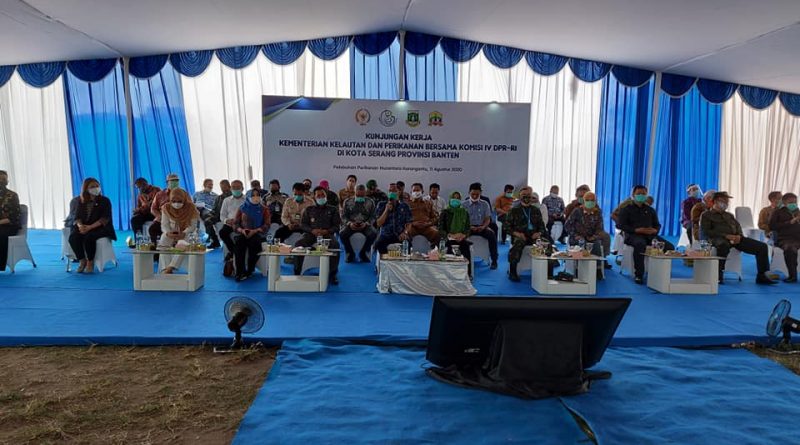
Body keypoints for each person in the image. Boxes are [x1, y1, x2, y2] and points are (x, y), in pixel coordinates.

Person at [701, 192, 775, 284]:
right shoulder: (706, 215)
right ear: (715, 201)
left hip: (735, 239)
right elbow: (707, 231)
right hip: (718, 239)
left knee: (762, 247)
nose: (726, 203)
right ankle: (718, 275)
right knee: (723, 245)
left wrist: (739, 236)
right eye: (723, 201)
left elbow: (738, 226)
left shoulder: (729, 215)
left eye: (727, 201)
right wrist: (726, 236)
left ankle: (762, 276)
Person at [617, 185, 674, 284]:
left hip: (650, 236)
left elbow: (657, 225)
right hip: (633, 235)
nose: (641, 196)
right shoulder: (626, 209)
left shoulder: (650, 210)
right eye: (638, 193)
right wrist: (636, 230)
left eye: (643, 194)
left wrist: (655, 230)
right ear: (633, 195)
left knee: (669, 247)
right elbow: (620, 225)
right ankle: (639, 275)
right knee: (640, 245)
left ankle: (660, 272)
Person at [68, 178, 116, 273]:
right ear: (86, 189)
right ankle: (82, 260)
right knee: (73, 237)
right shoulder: (81, 201)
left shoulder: (105, 201)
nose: (95, 188)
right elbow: (77, 217)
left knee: (89, 237)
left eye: (97, 186)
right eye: (92, 187)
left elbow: (104, 219)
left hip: (101, 227)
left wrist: (90, 227)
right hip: (85, 226)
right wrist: (81, 226)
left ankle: (90, 262)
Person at [295, 187, 341, 284]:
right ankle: (297, 271)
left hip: (327, 234)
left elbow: (337, 226)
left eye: (323, 195)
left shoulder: (333, 209)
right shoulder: (309, 209)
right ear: (314, 197)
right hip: (311, 234)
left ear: (326, 196)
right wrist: (312, 230)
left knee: (335, 245)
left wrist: (327, 231)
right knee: (298, 244)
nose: (321, 197)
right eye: (318, 196)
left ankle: (333, 274)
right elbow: (303, 225)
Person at [506, 187, 550, 282]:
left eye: (528, 195)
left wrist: (539, 233)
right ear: (519, 197)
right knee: (517, 245)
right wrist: (517, 234)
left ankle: (548, 272)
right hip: (520, 236)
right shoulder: (513, 210)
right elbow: (507, 227)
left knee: (548, 244)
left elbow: (542, 227)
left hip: (534, 236)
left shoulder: (536, 210)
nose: (526, 197)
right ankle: (512, 271)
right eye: (524, 195)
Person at [158, 188, 201, 274]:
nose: (176, 204)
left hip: (187, 232)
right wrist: (168, 233)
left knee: (184, 242)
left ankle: (171, 267)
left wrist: (184, 233)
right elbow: (164, 224)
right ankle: (165, 267)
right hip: (172, 232)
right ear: (170, 200)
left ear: (184, 199)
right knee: (163, 239)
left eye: (179, 201)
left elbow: (193, 226)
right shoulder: (166, 207)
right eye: (173, 201)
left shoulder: (191, 208)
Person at [232, 189, 270, 282]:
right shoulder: (242, 208)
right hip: (244, 232)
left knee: (255, 245)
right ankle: (240, 272)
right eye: (253, 195)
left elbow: (267, 224)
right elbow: (235, 223)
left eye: (258, 195)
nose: (256, 197)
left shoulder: (264, 209)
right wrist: (241, 230)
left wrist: (255, 230)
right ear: (248, 197)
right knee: (239, 245)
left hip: (258, 233)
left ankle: (250, 270)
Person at [564, 191, 605, 278]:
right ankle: (578, 269)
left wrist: (594, 236)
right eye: (587, 200)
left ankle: (597, 269)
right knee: (581, 244)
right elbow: (567, 225)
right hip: (577, 237)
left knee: (596, 244)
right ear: (584, 201)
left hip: (591, 237)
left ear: (595, 201)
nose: (590, 202)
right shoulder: (577, 211)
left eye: (592, 200)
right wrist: (575, 235)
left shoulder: (598, 212)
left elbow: (600, 228)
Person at [463, 182, 498, 269]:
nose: (475, 196)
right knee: (460, 237)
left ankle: (494, 260)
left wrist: (484, 226)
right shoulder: (464, 204)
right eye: (473, 194)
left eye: (477, 194)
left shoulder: (485, 204)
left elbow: (487, 218)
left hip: (481, 227)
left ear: (480, 193)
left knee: (492, 235)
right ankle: (462, 260)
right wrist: (469, 227)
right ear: (469, 192)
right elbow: (462, 220)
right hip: (468, 228)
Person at [439, 191, 473, 278]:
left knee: (465, 248)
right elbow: (440, 229)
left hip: (461, 238)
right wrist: (450, 235)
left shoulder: (464, 212)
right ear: (450, 199)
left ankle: (467, 274)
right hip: (448, 238)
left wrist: (463, 235)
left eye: (458, 198)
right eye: (454, 198)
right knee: (449, 248)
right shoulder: (445, 212)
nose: (456, 200)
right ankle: (450, 274)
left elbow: (468, 228)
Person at [340, 184, 377, 263]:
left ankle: (363, 253)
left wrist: (366, 223)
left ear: (365, 193)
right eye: (358, 195)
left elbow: (373, 216)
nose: (360, 196)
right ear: (355, 192)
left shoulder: (370, 202)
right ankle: (350, 253)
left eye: (362, 195)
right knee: (342, 234)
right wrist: (349, 223)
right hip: (351, 225)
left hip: (365, 225)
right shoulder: (347, 201)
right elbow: (343, 216)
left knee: (373, 234)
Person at [769, 193, 800, 283]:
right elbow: (772, 226)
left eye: (795, 202)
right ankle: (793, 275)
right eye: (791, 202)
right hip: (785, 239)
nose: (793, 204)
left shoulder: (798, 212)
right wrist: (789, 222)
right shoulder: (778, 212)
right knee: (790, 248)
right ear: (784, 202)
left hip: (798, 237)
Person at [374, 189, 413, 254]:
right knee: (378, 245)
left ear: (398, 194)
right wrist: (386, 210)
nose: (392, 193)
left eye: (394, 191)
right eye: (390, 191)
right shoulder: (381, 204)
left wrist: (405, 232)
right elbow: (378, 224)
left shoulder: (404, 206)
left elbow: (409, 223)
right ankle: (385, 259)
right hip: (386, 235)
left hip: (400, 234)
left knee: (408, 246)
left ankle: (403, 259)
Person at [218, 180, 247, 261]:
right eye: (233, 187)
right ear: (230, 189)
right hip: (230, 223)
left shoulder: (247, 200)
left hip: (243, 223)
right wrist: (227, 221)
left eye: (238, 187)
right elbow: (222, 215)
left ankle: (233, 254)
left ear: (242, 188)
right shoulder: (226, 200)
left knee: (244, 236)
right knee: (222, 232)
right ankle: (234, 252)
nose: (236, 189)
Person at [405, 183, 440, 247]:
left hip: (426, 227)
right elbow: (403, 218)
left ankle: (433, 251)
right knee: (406, 233)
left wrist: (428, 223)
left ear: (422, 191)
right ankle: (408, 251)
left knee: (436, 233)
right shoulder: (407, 204)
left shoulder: (428, 203)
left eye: (418, 190)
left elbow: (435, 218)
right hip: (413, 227)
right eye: (414, 191)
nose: (416, 192)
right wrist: (413, 223)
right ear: (411, 192)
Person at [149, 173, 180, 243]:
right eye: (172, 181)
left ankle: (175, 245)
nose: (175, 182)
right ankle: (156, 248)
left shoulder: (184, 194)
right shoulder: (160, 194)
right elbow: (153, 208)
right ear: (167, 182)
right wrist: (159, 216)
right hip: (162, 218)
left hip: (177, 219)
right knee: (152, 229)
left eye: (176, 180)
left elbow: (189, 207)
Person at [0, 170, 21, 272]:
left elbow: (14, 216)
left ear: (7, 181)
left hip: (9, 225)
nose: (1, 181)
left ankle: (0, 265)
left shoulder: (13, 195)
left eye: (3, 179)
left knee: (1, 235)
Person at [193, 178, 219, 249]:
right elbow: (192, 204)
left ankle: (213, 240)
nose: (211, 186)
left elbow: (217, 207)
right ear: (204, 185)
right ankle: (211, 240)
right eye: (209, 184)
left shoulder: (216, 196)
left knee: (207, 219)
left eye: (212, 185)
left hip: (209, 212)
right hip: (197, 211)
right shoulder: (197, 194)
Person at [208, 179, 231, 248]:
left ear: (229, 186)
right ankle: (215, 241)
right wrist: (210, 214)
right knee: (207, 221)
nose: (223, 189)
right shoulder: (219, 197)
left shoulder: (232, 197)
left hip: (227, 217)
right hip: (217, 216)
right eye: (221, 187)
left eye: (224, 187)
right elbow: (214, 209)